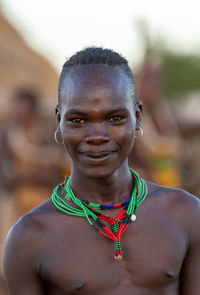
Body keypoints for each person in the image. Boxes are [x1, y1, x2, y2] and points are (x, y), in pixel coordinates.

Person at [3, 47, 200, 294]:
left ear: (137, 117)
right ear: (58, 121)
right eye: (78, 120)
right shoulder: (29, 238)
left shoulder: (186, 214)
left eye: (115, 118)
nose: (97, 136)